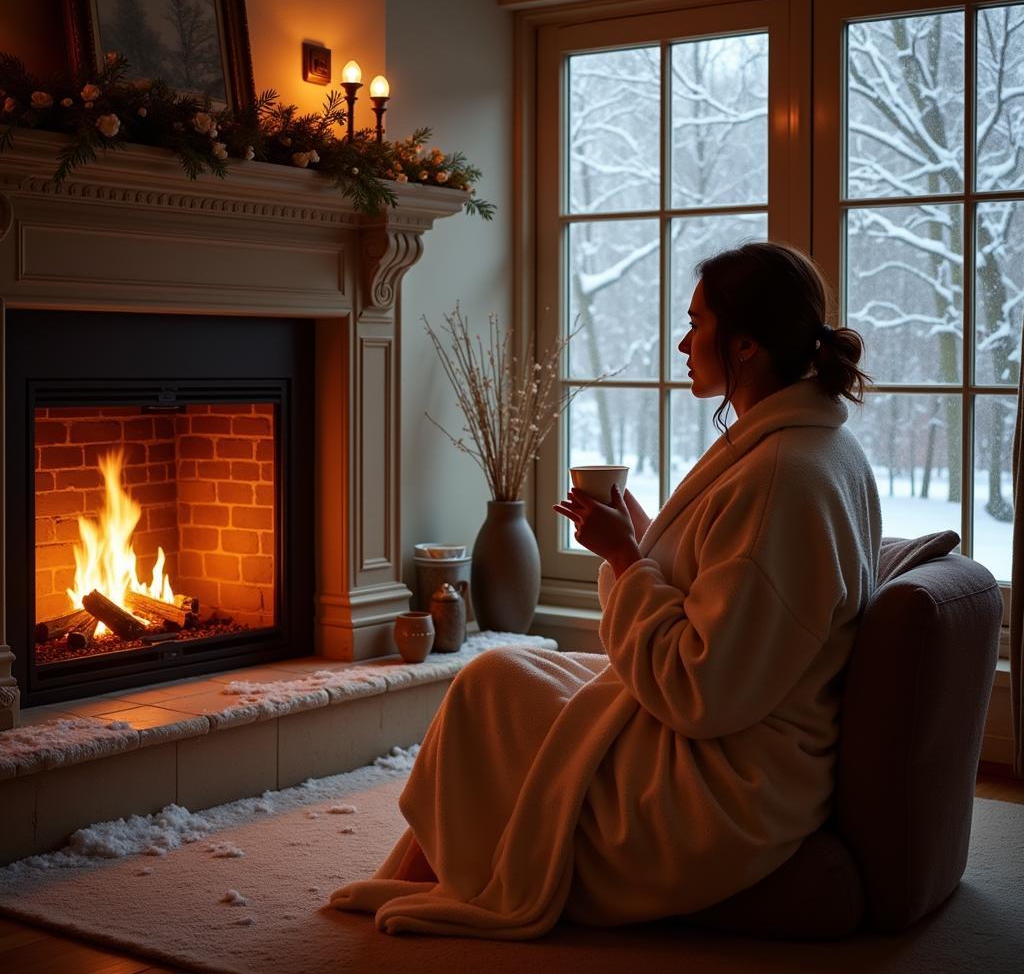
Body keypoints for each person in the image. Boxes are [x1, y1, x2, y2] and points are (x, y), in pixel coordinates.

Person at [331, 241, 881, 939]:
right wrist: (649, 536)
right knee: (501, 673)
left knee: (492, 680)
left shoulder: (783, 475)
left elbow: (702, 689)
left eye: (696, 324)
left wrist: (625, 556)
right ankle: (428, 869)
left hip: (732, 781)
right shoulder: (806, 447)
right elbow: (733, 596)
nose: (683, 342)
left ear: (743, 346)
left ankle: (457, 879)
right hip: (751, 733)